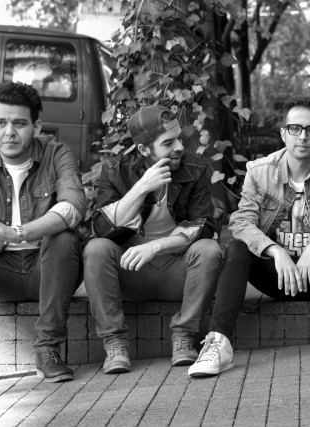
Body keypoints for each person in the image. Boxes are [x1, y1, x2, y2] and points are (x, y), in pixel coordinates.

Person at [188, 96, 310, 377]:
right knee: (236, 248)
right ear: (284, 133)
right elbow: (242, 223)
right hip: (276, 278)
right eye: (295, 128)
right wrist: (275, 250)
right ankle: (218, 342)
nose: (303, 136)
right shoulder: (260, 171)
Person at [83, 105, 222, 374]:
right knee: (96, 249)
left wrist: (156, 246)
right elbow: (101, 228)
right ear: (144, 150)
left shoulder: (195, 168)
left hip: (178, 269)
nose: (179, 147)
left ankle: (184, 337)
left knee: (209, 249)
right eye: (168, 143)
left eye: (179, 139)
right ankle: (115, 345)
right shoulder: (115, 170)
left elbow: (202, 226)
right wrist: (141, 187)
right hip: (131, 271)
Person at [0, 82, 86, 382]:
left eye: (19, 123)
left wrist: (18, 233)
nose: (9, 132)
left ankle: (48, 350)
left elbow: (73, 207)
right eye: (1, 123)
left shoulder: (57, 153)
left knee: (64, 236)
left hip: (49, 268)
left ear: (36, 126)